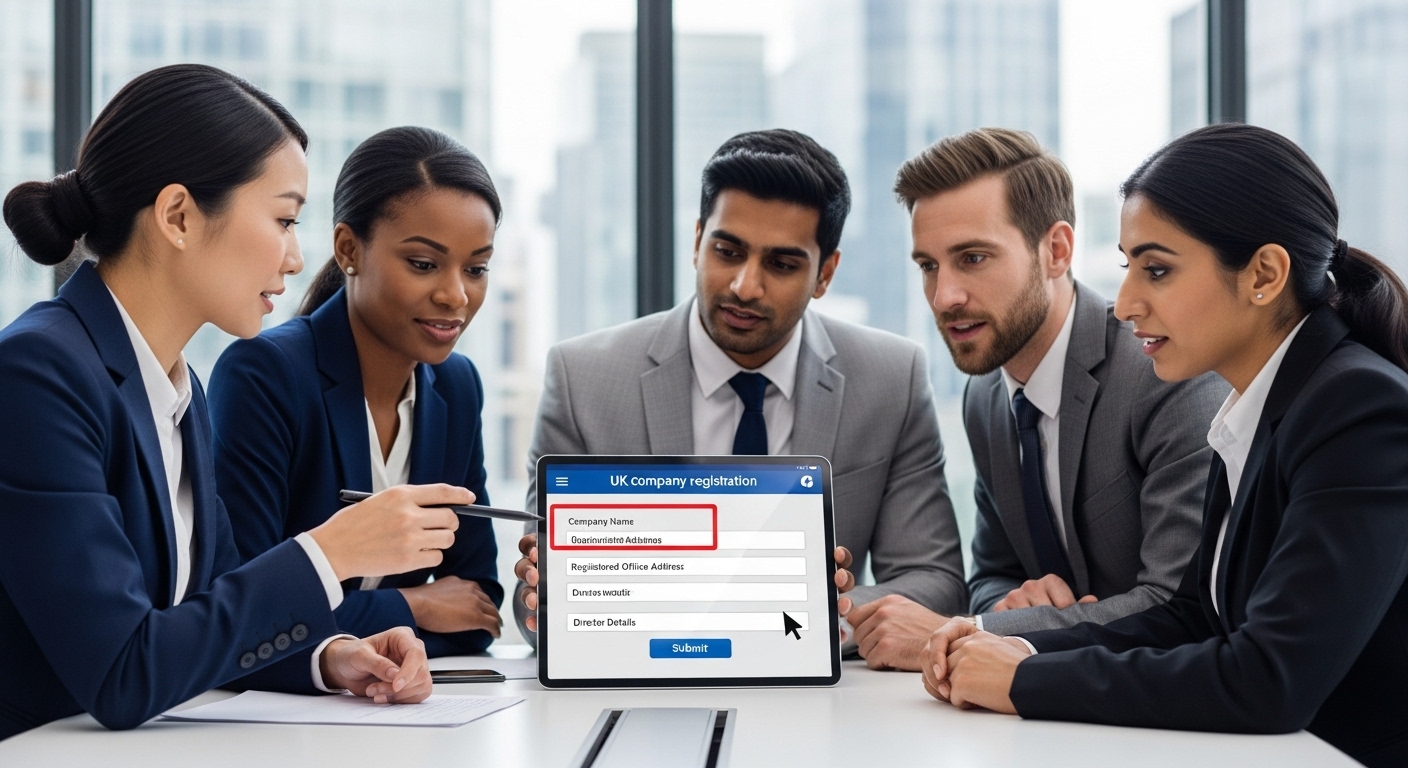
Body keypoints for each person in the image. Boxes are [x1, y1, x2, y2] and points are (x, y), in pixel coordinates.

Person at [911, 123, 1408, 768]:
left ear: (1263, 274)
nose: (1123, 303)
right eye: (1126, 267)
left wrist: (1023, 682)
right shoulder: (1259, 406)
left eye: (1157, 269)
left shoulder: (1359, 409)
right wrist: (1008, 647)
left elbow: (1269, 680)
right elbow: (1192, 617)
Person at [0, 64, 470, 740]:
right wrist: (329, 553)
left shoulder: (177, 387)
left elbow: (208, 612)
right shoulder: (39, 373)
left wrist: (330, 657)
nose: (294, 257)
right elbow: (122, 673)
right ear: (179, 216)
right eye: (283, 218)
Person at [512, 128, 958, 642]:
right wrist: (776, 608)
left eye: (782, 264)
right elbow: (540, 613)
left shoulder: (890, 379)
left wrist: (795, 617)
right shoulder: (583, 380)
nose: (745, 286)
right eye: (728, 251)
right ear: (698, 241)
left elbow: (936, 584)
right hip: (650, 691)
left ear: (825, 274)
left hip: (828, 705)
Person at [844, 128, 1226, 671]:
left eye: (972, 258)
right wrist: (1010, 606)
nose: (945, 295)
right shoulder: (985, 398)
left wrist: (974, 632)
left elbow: (1176, 605)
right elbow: (991, 574)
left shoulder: (1163, 373)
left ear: (1056, 250)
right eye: (929, 266)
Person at [209, 127, 503, 656]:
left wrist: (356, 621)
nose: (455, 294)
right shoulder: (265, 375)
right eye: (423, 264)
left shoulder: (458, 388)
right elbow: (242, 607)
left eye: (477, 268)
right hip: (274, 718)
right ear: (349, 248)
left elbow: (477, 607)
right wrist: (415, 606)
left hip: (404, 703)